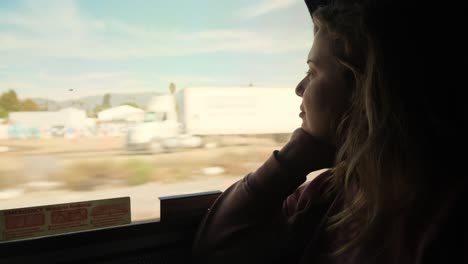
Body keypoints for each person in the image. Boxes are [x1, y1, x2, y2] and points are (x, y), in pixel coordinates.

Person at [192, 0, 467, 263]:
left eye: (312, 72)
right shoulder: (328, 192)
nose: (299, 88)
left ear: (363, 91)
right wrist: (293, 158)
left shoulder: (444, 219)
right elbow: (217, 250)